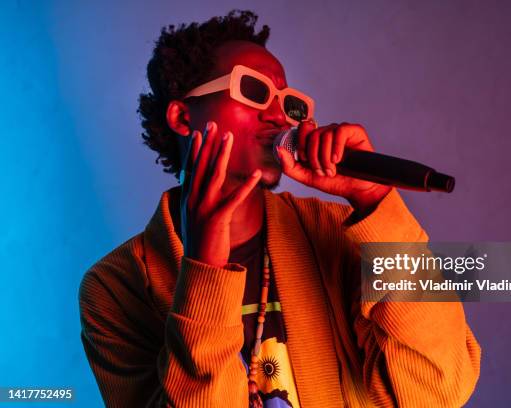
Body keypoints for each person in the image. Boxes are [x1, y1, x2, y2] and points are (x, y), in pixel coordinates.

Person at [79, 10, 481, 408]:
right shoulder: (115, 288)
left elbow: (437, 391)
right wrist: (205, 270)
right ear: (183, 116)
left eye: (290, 105)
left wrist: (376, 203)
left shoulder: (339, 233)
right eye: (253, 91)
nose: (277, 116)